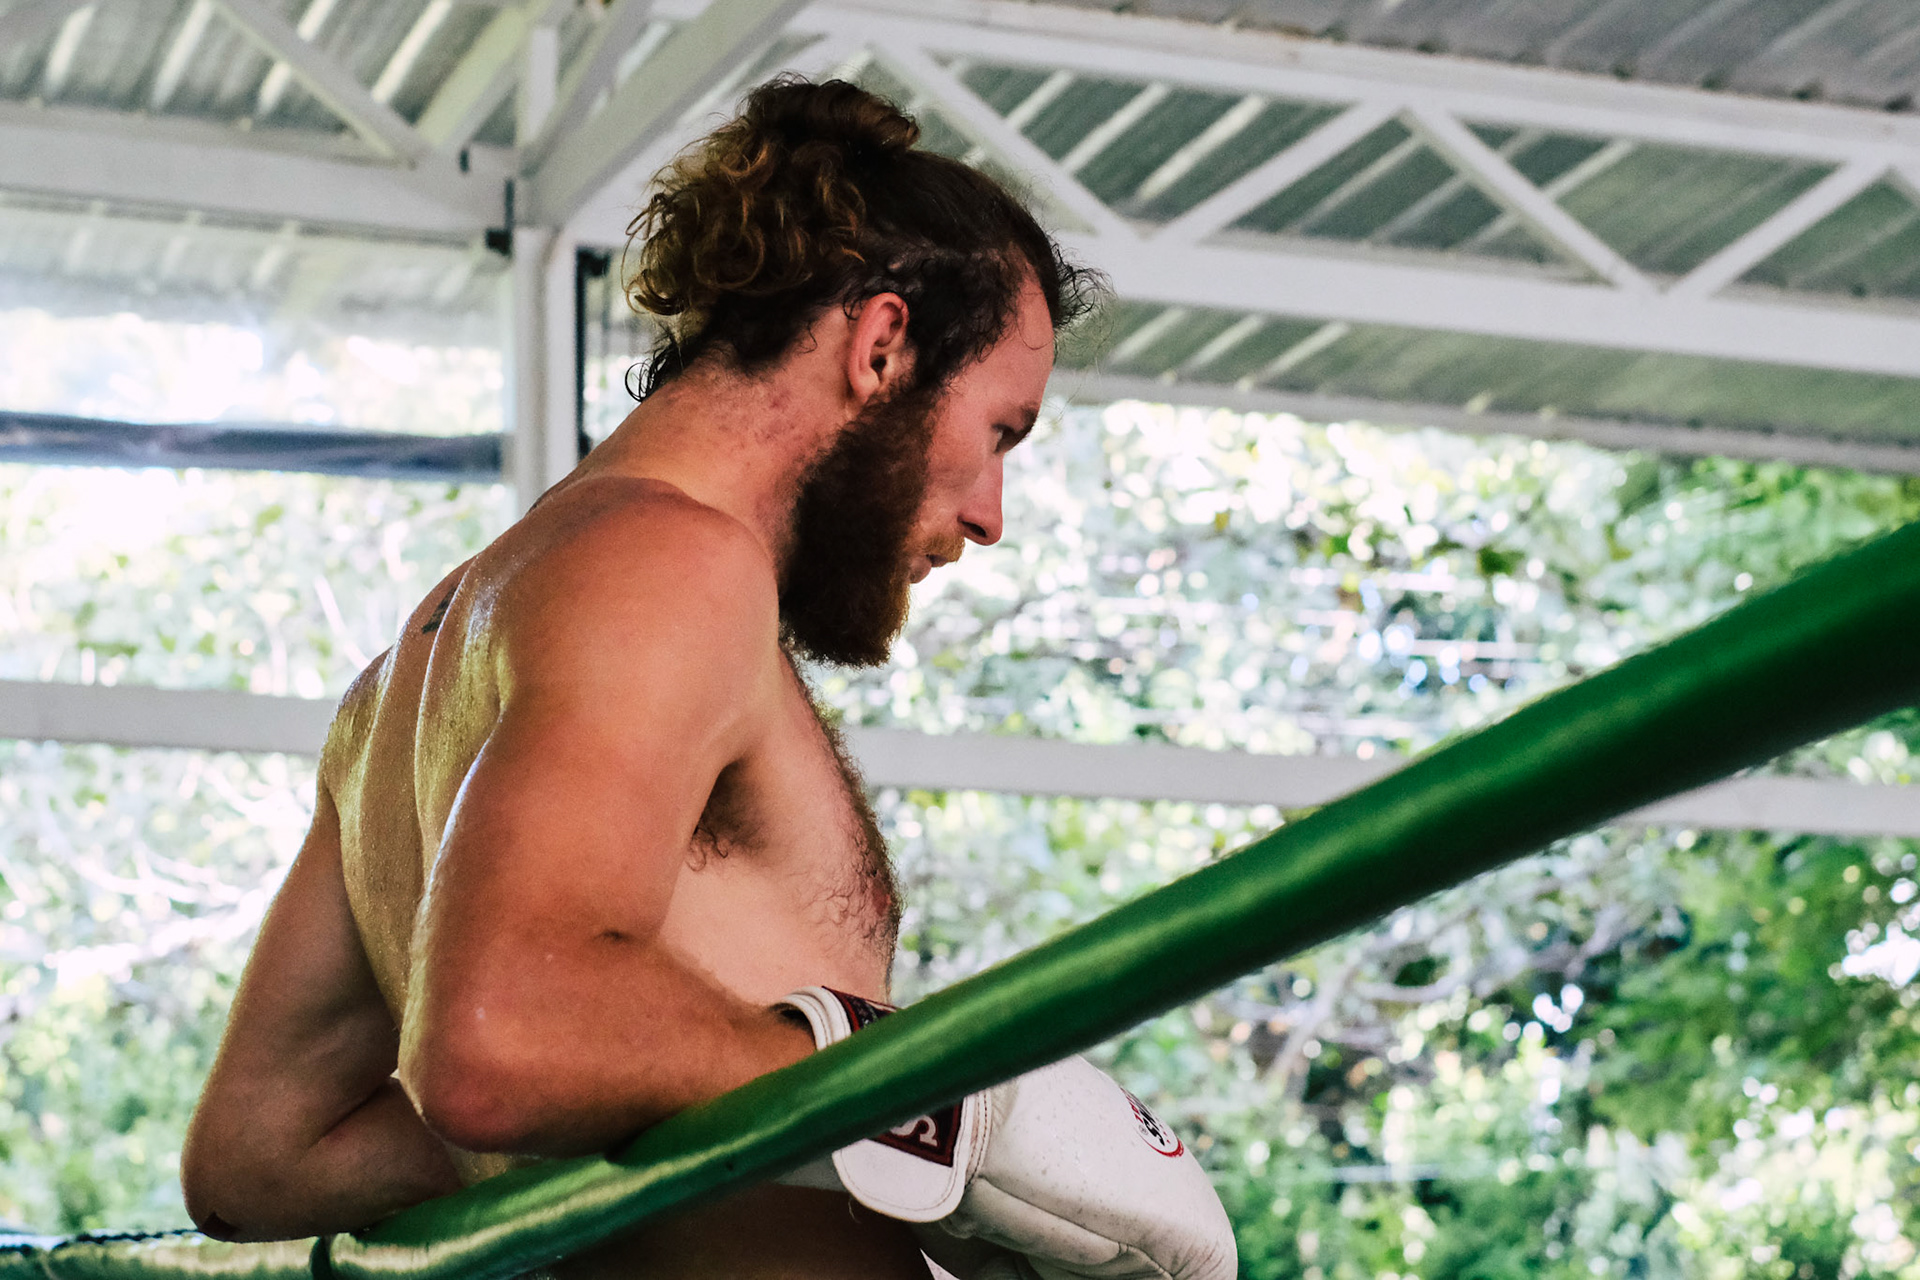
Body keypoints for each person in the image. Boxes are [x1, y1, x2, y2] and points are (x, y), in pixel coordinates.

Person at [177, 75, 1193, 1278]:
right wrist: (928, 1100)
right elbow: (498, 1036)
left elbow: (258, 1150)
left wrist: (637, 1110)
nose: (990, 512)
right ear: (881, 347)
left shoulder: (415, 664)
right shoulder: (672, 563)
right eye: (1001, 432)